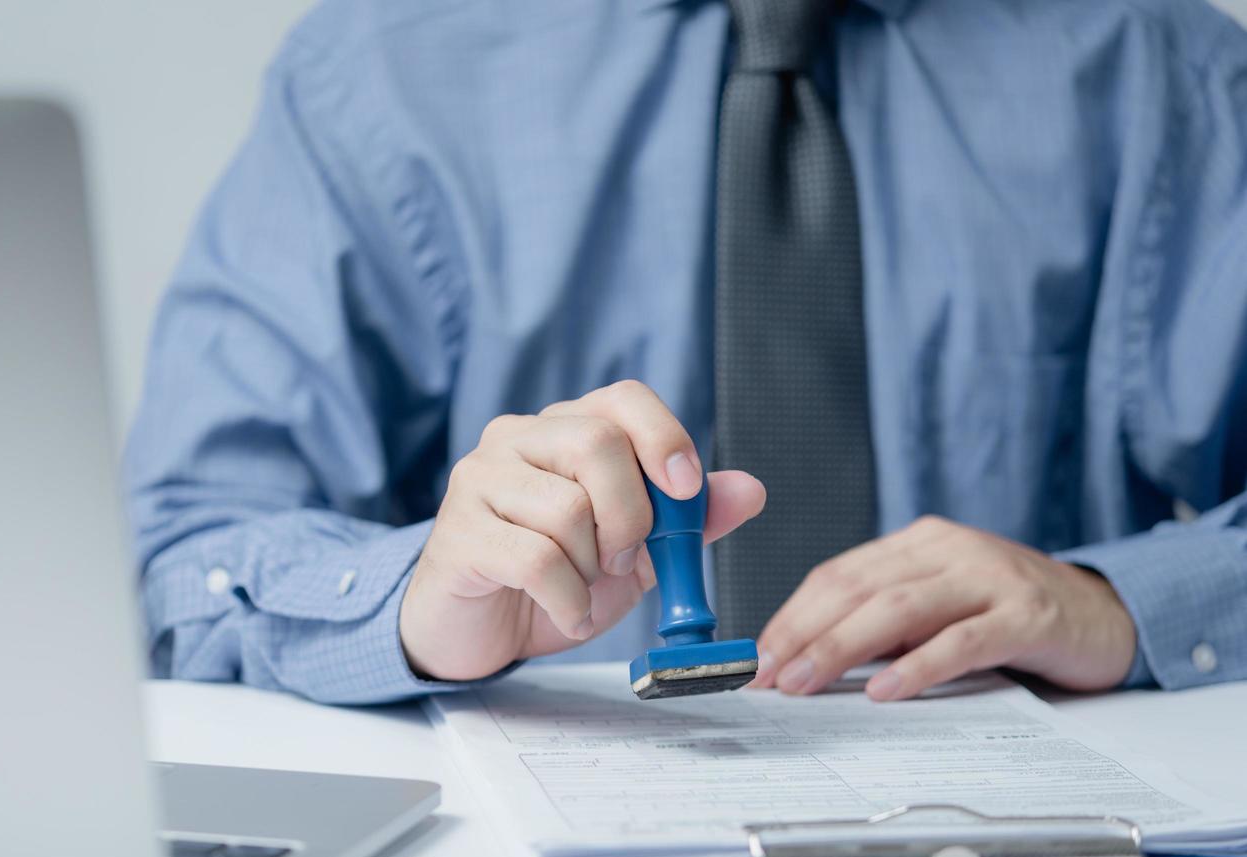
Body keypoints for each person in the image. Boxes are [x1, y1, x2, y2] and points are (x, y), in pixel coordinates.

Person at [125, 0, 1247, 706]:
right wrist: (411, 608)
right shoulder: (376, 70)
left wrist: (1118, 600)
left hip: (1044, 855)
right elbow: (181, 553)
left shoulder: (1162, 64)